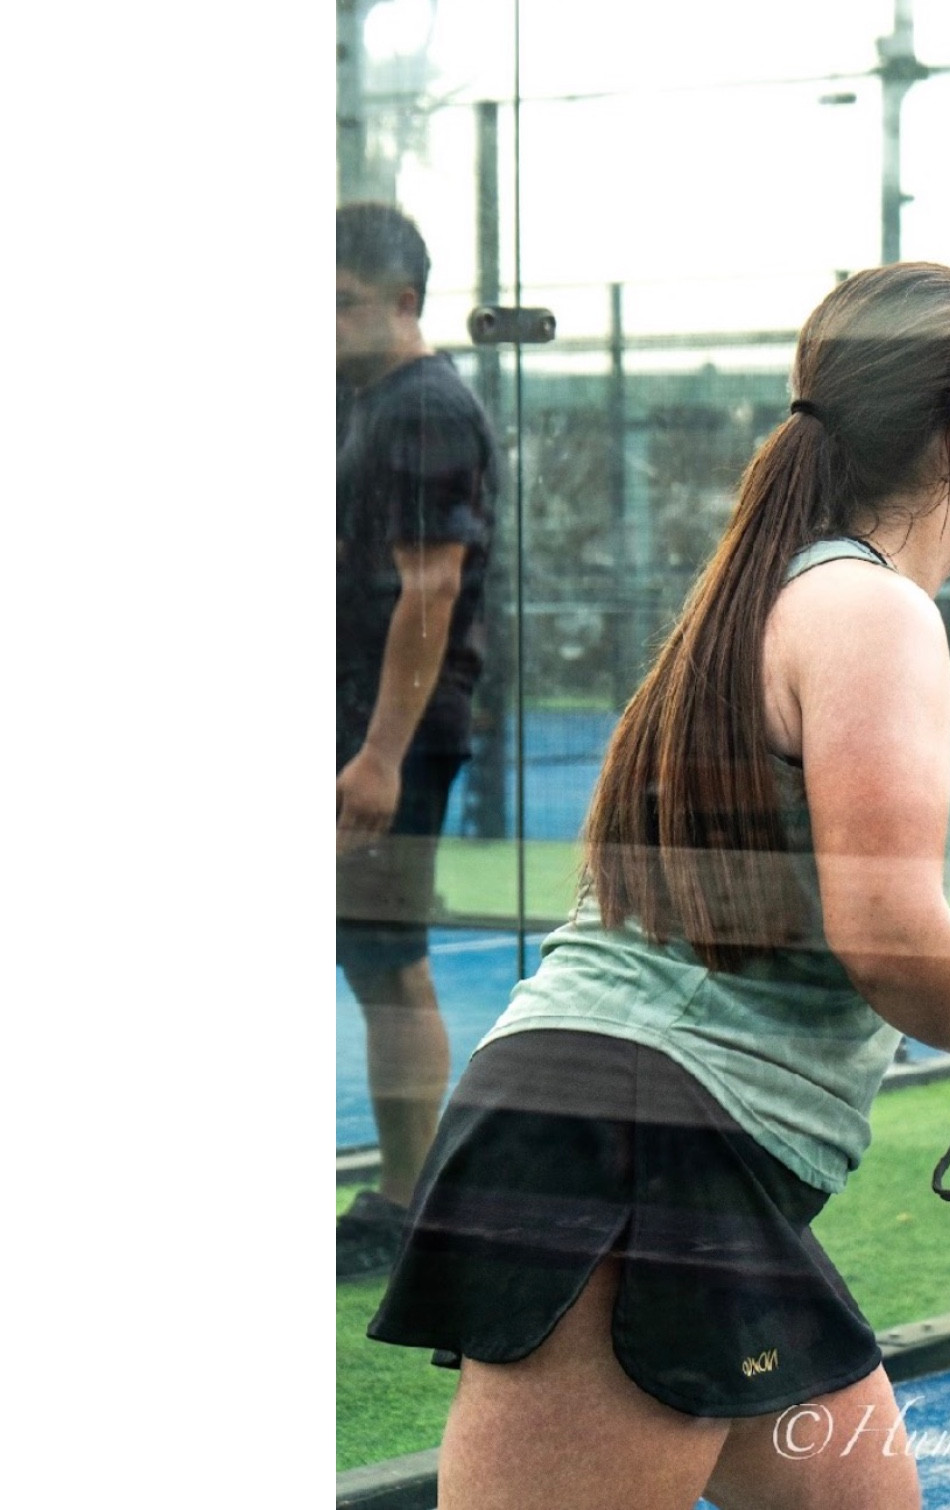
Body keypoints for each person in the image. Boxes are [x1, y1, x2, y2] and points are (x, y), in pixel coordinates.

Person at [367, 261, 950, 1510]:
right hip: (637, 1152)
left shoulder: (789, 592)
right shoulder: (872, 612)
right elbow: (886, 932)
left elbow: (778, 915)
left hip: (676, 1149)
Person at [336, 202, 499, 1275]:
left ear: (404, 304)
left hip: (390, 736)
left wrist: (380, 755)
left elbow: (432, 589)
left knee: (391, 964)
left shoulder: (428, 409)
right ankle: (403, 1198)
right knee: (370, 959)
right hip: (357, 726)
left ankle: (407, 1205)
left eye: (341, 304)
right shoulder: (364, 402)